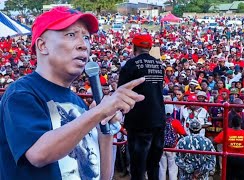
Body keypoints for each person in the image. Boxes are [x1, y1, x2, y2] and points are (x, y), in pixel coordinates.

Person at [0, 7, 145, 180]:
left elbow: (103, 176)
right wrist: (98, 112)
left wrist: (104, 127)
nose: (83, 45)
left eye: (86, 37)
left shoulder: (78, 103)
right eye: (71, 35)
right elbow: (38, 154)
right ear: (42, 45)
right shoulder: (21, 94)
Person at [118, 33, 166, 180]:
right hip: (158, 117)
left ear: (134, 47)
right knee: (154, 164)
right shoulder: (160, 65)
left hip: (139, 119)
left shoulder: (131, 65)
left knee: (137, 165)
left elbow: (121, 90)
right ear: (150, 47)